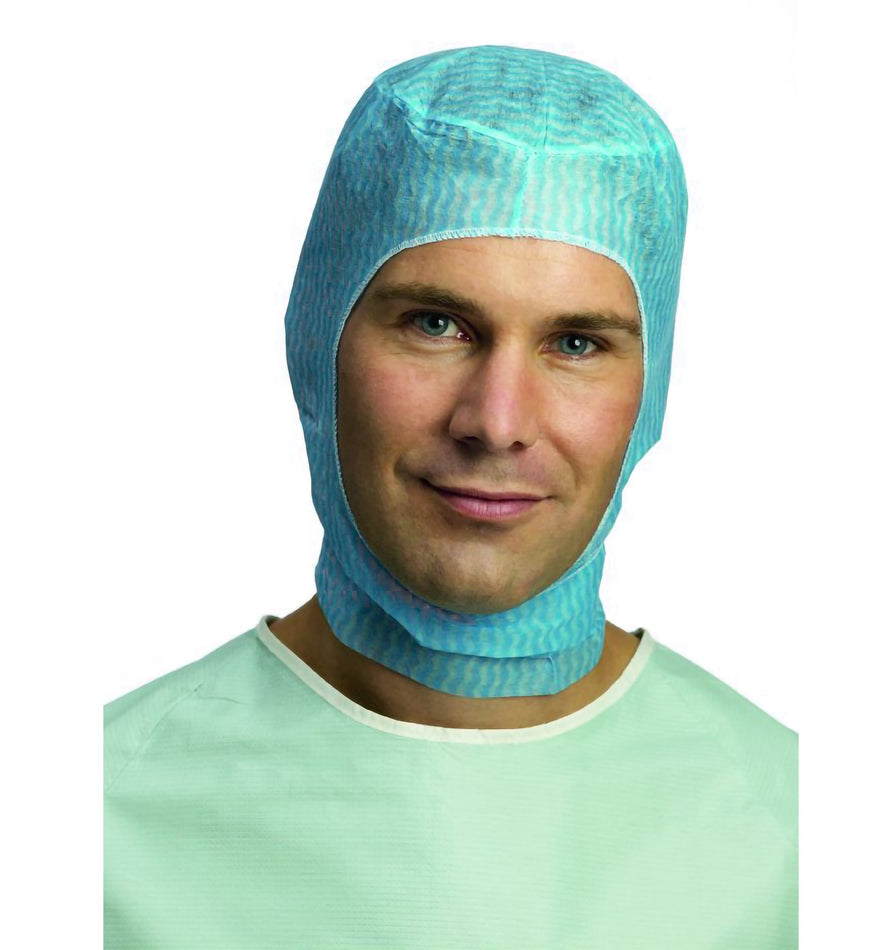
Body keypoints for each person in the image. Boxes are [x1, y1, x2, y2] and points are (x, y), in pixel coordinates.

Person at [104, 45, 797, 948]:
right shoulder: (93, 822)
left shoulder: (796, 834)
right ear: (319, 341)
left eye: (576, 344)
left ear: (651, 386)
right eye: (437, 324)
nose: (497, 423)